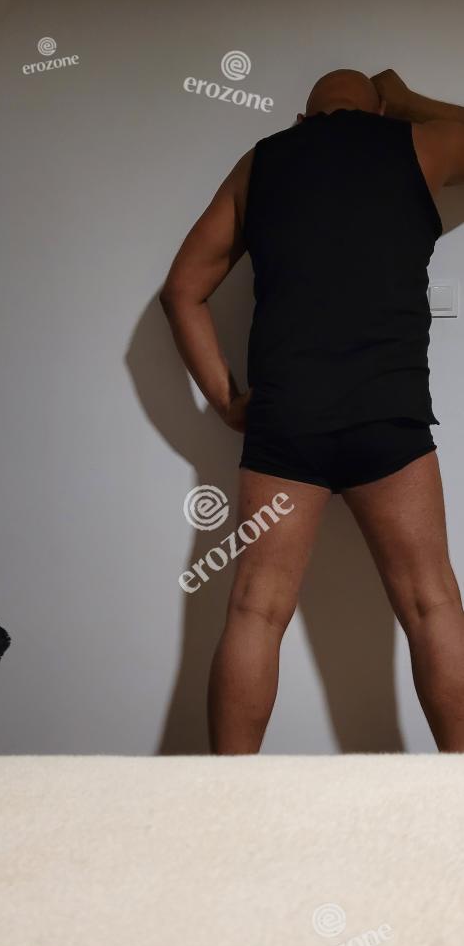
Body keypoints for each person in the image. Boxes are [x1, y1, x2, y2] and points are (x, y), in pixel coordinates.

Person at [159, 67, 464, 754]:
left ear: (303, 117)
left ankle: (226, 797)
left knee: (256, 611)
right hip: (389, 417)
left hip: (286, 422)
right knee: (433, 604)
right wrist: (408, 104)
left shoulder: (263, 161)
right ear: (377, 110)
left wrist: (227, 401)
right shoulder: (421, 144)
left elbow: (181, 291)